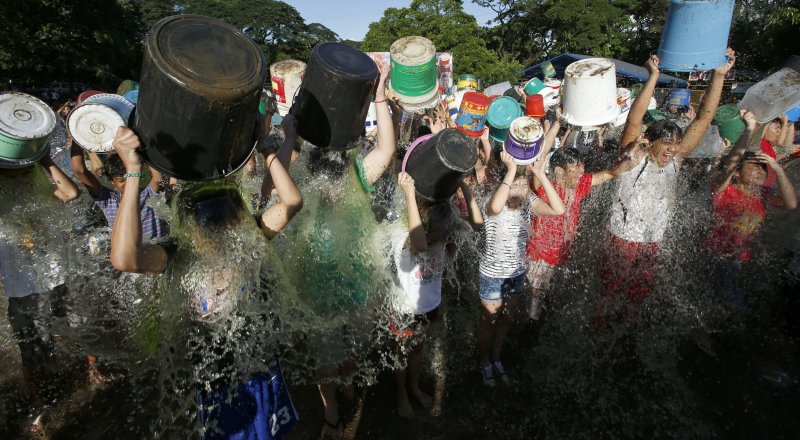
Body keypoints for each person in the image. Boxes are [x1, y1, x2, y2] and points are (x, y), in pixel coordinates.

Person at [109, 119, 303, 438]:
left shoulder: (251, 236)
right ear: (189, 228)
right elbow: (124, 258)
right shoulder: (178, 256)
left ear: (237, 218)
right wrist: (132, 172)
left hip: (260, 366)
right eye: (206, 221)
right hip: (216, 378)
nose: (218, 229)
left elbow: (292, 202)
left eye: (225, 217)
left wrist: (266, 145)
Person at [274, 58, 395, 439]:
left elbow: (387, 149)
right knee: (324, 359)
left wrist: (378, 96)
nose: (329, 192)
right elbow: (268, 189)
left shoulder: (357, 175)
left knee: (353, 350)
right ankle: (331, 413)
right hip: (314, 286)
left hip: (355, 282)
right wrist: (289, 138)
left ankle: (346, 383)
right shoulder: (300, 178)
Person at [596, 50, 735, 320]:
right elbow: (634, 120)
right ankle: (598, 332)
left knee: (637, 298)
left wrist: (718, 76)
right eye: (667, 144)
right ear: (651, 141)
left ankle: (629, 334)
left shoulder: (676, 159)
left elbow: (703, 120)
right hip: (621, 239)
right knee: (606, 295)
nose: (672, 150)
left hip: (652, 241)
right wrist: (652, 77)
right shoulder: (633, 155)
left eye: (675, 145)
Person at [0, 150, 80, 432]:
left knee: (78, 327)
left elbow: (71, 194)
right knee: (31, 352)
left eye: (25, 172)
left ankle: (93, 370)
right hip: (21, 291)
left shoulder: (44, 192)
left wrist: (44, 160)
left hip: (58, 277)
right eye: (13, 172)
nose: (21, 177)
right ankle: (39, 405)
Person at [391, 173, 482, 417]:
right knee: (400, 352)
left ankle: (413, 385)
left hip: (429, 305)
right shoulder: (403, 235)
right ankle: (401, 394)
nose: (445, 231)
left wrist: (463, 185)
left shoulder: (443, 239)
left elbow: (477, 224)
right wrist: (410, 194)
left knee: (418, 348)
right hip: (404, 308)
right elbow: (420, 244)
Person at [478, 151, 565, 386]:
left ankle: (496, 359)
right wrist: (512, 170)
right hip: (492, 275)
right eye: (513, 186)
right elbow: (496, 208)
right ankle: (484, 361)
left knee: (505, 319)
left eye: (522, 187)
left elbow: (559, 210)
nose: (518, 192)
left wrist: (539, 174)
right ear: (504, 186)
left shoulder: (528, 204)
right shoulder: (491, 200)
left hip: (516, 274)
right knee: (489, 321)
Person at [704, 109, 797, 309]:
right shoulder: (724, 190)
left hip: (738, 257)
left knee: (724, 301)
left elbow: (791, 204)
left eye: (763, 167)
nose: (760, 171)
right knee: (729, 303)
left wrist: (778, 169)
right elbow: (731, 165)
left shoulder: (761, 194)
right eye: (754, 166)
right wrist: (748, 129)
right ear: (737, 174)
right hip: (716, 256)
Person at [527, 118, 618, 319]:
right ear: (559, 171)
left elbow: (607, 175)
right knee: (533, 306)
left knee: (553, 303)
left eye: (582, 167)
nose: (581, 173)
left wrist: (631, 158)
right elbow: (539, 158)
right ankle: (528, 335)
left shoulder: (579, 184)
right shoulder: (543, 186)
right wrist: (558, 124)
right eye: (575, 169)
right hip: (539, 257)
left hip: (563, 254)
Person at [70, 144, 169, 240]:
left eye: (130, 177)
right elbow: (80, 171)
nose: (128, 184)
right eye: (121, 180)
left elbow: (158, 178)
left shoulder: (148, 193)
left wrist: (144, 146)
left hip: (157, 248)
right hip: (127, 253)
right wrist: (77, 140)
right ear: (113, 182)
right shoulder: (109, 200)